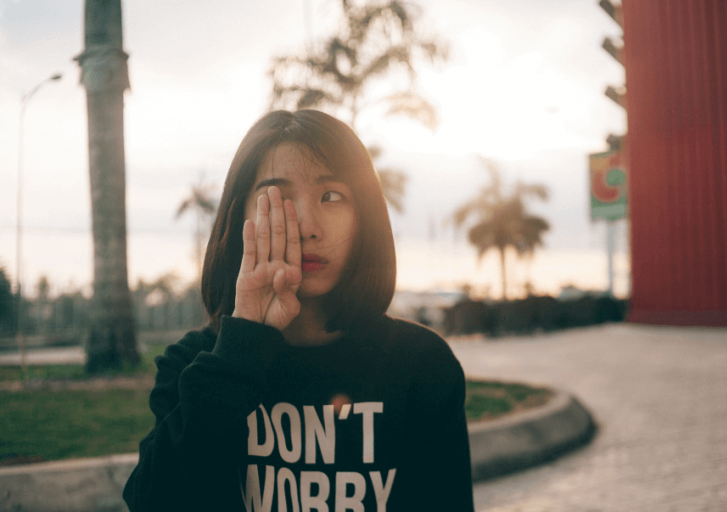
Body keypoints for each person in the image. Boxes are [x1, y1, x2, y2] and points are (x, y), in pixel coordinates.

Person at [123, 110, 475, 511]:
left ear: (365, 217)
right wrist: (241, 348)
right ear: (241, 218)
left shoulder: (421, 365)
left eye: (332, 196)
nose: (308, 226)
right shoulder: (193, 365)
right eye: (279, 199)